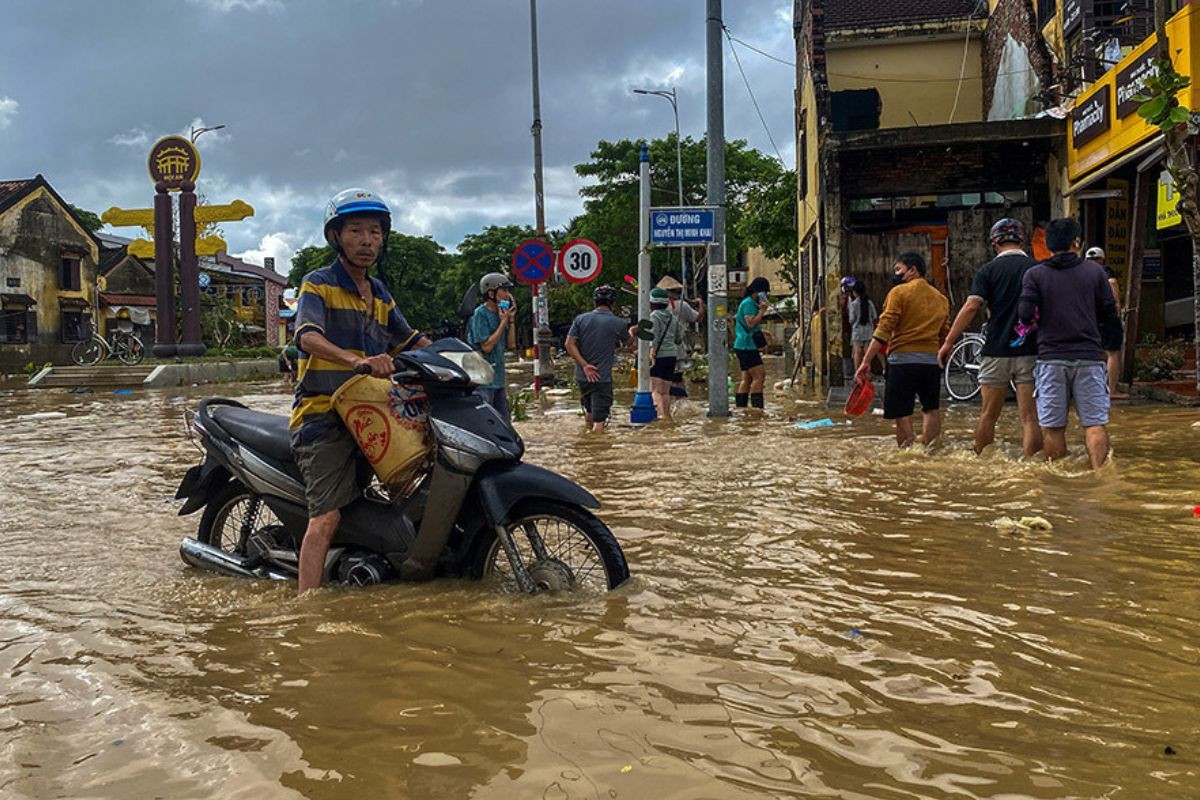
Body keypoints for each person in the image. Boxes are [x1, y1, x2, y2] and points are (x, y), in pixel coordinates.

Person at [290, 188, 430, 594]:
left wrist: (458, 360)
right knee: (327, 518)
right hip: (323, 417)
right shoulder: (317, 284)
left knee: (411, 482)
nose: (367, 241)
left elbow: (409, 339)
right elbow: (307, 336)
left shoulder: (381, 292)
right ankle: (307, 606)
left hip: (372, 411)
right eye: (356, 231)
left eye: (375, 232)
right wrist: (354, 360)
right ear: (336, 236)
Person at [1018, 218, 1120, 469]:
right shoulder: (1095, 272)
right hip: (1089, 357)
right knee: (1095, 424)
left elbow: (1025, 314)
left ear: (1048, 244)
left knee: (1053, 428)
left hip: (1051, 359)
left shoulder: (1035, 274)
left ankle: (1057, 486)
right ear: (1076, 242)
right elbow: (1110, 312)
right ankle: (1099, 478)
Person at [937, 218, 1043, 457]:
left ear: (994, 242)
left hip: (996, 350)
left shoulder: (988, 271)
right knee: (1029, 417)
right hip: (1031, 350)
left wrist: (948, 342)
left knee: (988, 415)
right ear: (1022, 240)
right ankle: (1033, 468)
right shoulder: (1037, 269)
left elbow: (971, 306)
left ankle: (982, 464)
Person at [854, 253, 949, 448]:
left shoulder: (898, 293)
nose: (896, 274)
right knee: (931, 409)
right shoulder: (941, 298)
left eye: (899, 269)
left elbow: (883, 331)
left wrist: (866, 361)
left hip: (902, 362)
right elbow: (944, 335)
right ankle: (930, 452)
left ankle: (907, 453)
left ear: (912, 270)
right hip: (930, 363)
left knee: (902, 412)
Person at [565, 284, 632, 431]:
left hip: (582, 377)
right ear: (613, 304)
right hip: (602, 378)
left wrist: (584, 366)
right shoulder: (618, 323)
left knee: (589, 411)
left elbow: (569, 345)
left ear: (594, 302)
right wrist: (633, 331)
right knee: (599, 421)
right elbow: (630, 344)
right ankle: (597, 449)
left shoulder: (580, 319)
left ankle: (587, 444)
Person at [466, 272, 517, 420]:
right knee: (487, 421)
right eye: (504, 290)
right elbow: (486, 347)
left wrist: (511, 321)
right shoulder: (480, 315)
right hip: (482, 380)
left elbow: (511, 345)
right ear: (491, 293)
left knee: (505, 422)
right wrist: (502, 323)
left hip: (498, 379)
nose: (508, 295)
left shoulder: (503, 314)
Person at [1084, 246, 1128, 399]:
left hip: (1089, 318)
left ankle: (1096, 389)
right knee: (1113, 353)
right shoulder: (1105, 271)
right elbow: (1113, 282)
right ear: (1102, 259)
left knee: (1097, 353)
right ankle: (1112, 390)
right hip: (1107, 318)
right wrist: (1117, 304)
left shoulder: (1083, 273)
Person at [659, 275, 703, 401]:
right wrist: (700, 304)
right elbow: (699, 318)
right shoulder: (682, 306)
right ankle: (681, 402)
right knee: (677, 379)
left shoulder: (654, 308)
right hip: (677, 348)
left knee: (661, 381)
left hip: (657, 349)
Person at [733, 277, 772, 409]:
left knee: (747, 378)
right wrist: (762, 310)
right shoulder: (749, 304)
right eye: (764, 293)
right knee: (759, 375)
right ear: (758, 292)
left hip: (744, 345)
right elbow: (750, 323)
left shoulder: (749, 303)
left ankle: (742, 408)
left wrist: (763, 331)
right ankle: (757, 409)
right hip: (746, 346)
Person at [647, 287, 682, 419]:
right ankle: (667, 415)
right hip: (671, 355)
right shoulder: (673, 317)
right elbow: (678, 339)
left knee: (655, 390)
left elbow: (653, 336)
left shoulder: (653, 316)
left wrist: (652, 353)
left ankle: (661, 416)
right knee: (666, 391)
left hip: (658, 355)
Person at [847, 281, 881, 374]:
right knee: (867, 355)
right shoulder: (869, 303)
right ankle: (867, 375)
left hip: (857, 332)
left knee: (857, 353)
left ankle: (858, 374)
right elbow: (874, 317)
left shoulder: (853, 304)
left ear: (855, 292)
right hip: (869, 331)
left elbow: (851, 319)